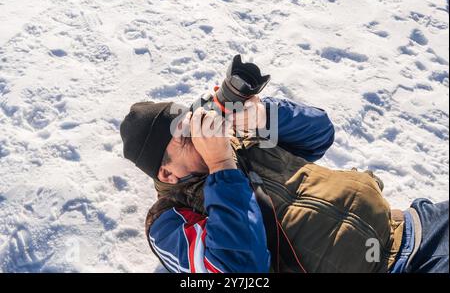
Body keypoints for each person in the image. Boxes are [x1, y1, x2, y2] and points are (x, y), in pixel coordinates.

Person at [120, 94, 449, 273]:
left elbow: (320, 135)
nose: (204, 132)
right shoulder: (167, 220)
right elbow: (237, 270)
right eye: (187, 136)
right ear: (166, 173)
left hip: (415, 225)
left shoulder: (238, 138)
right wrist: (222, 167)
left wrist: (264, 116)